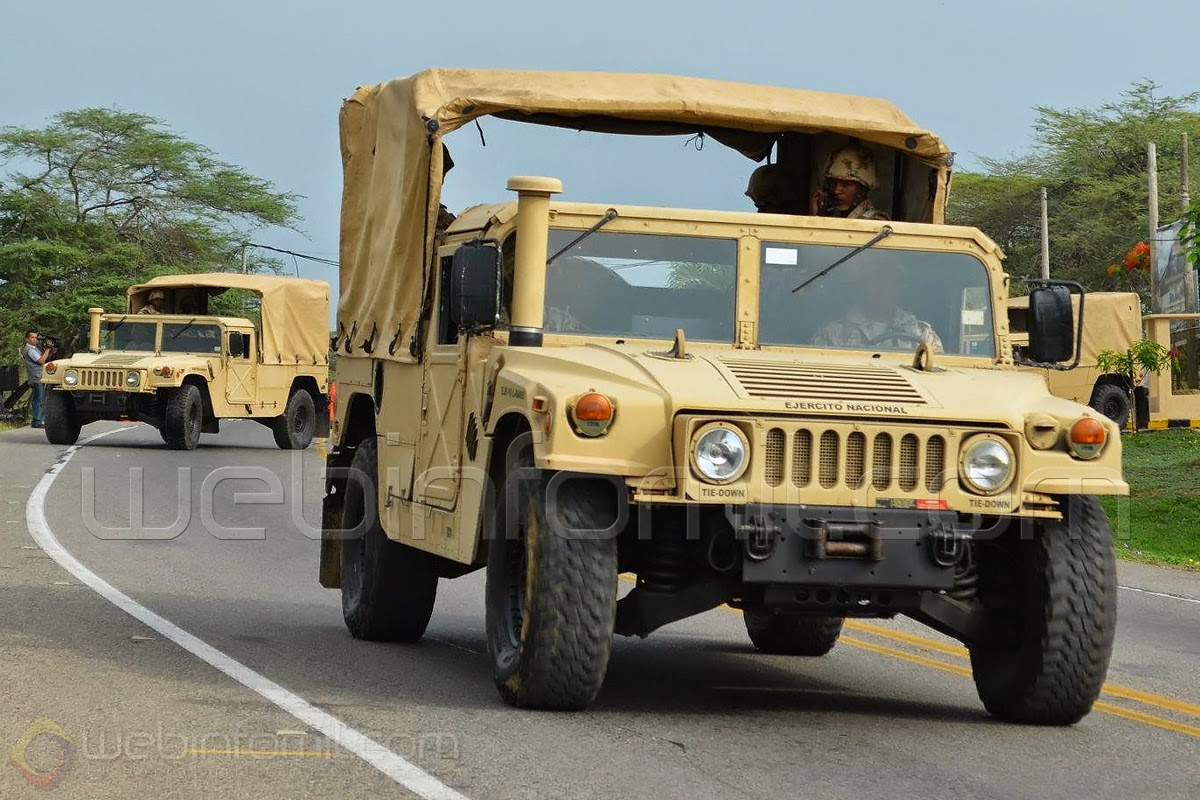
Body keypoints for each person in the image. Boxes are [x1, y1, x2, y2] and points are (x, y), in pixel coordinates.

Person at [811, 267, 943, 352]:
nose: (883, 287)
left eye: (890, 280)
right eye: (875, 279)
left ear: (899, 287)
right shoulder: (833, 334)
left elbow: (935, 373)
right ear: (862, 285)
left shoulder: (922, 334)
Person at [809, 144, 890, 220]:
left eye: (846, 184)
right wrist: (816, 217)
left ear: (862, 189)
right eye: (833, 182)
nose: (836, 190)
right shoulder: (833, 215)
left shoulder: (875, 221)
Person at [23, 329, 55, 428]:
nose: (34, 339)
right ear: (27, 339)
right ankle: (37, 421)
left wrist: (49, 351)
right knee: (38, 399)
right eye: (32, 337)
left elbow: (44, 358)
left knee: (40, 398)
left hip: (39, 376)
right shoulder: (30, 350)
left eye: (35, 338)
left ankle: (39, 420)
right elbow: (41, 361)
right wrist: (47, 349)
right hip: (36, 377)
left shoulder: (34, 348)